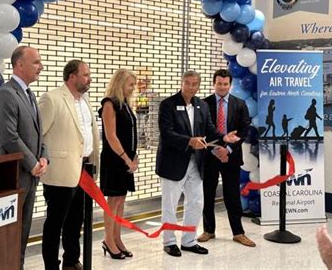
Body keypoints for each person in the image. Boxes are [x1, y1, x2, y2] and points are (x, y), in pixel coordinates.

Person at [156, 70, 240, 257]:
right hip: (173, 163)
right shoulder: (168, 104)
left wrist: (224, 137)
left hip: (196, 162)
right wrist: (189, 140)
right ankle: (169, 242)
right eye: (187, 83)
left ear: (199, 85)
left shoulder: (202, 105)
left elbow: (210, 130)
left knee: (196, 202)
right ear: (182, 83)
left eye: (195, 84)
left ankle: (189, 241)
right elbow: (166, 133)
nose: (191, 87)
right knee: (170, 204)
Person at [0, 46, 49, 269]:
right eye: (36, 62)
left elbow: (39, 133)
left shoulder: (30, 94)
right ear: (19, 65)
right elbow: (9, 137)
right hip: (11, 175)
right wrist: (32, 163)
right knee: (8, 231)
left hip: (30, 175)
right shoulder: (5, 93)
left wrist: (44, 157)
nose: (40, 67)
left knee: (22, 230)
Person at [39, 59, 100, 270]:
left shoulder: (86, 100)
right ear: (72, 76)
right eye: (85, 75)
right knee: (56, 222)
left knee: (76, 220)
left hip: (83, 169)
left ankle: (71, 260)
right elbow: (40, 135)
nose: (89, 78)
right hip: (59, 171)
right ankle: (51, 265)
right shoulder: (52, 98)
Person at [197, 69, 256, 247]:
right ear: (213, 83)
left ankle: (238, 232)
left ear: (230, 85)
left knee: (232, 195)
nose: (222, 87)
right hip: (210, 156)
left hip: (231, 157)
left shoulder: (239, 104)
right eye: (219, 83)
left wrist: (228, 149)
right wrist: (216, 149)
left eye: (225, 84)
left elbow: (244, 130)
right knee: (207, 193)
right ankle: (208, 230)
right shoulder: (203, 104)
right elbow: (201, 130)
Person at [99, 69, 139, 260]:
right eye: (130, 84)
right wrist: (126, 158)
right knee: (113, 201)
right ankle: (108, 240)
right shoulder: (110, 103)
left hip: (126, 160)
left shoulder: (126, 105)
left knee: (121, 200)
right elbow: (111, 136)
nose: (133, 88)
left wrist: (135, 157)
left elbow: (131, 134)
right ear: (120, 83)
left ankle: (117, 238)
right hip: (114, 160)